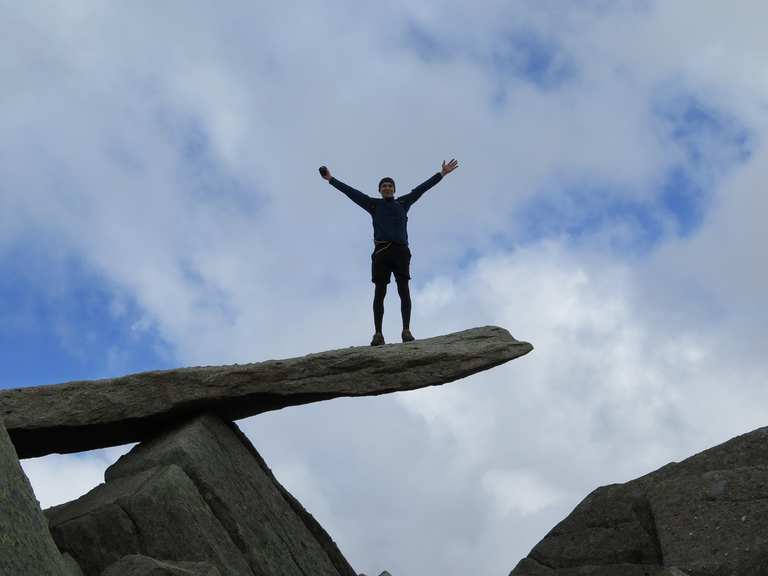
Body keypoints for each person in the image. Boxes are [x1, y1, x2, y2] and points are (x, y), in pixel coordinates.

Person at [320, 159, 459, 345]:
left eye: (390, 186)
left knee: (404, 291)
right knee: (380, 292)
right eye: (384, 186)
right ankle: (378, 334)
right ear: (379, 190)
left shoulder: (403, 202)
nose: (387, 188)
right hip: (381, 253)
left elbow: (421, 189)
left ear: (394, 189)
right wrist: (331, 179)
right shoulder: (373, 205)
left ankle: (406, 331)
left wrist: (441, 174)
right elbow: (352, 193)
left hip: (401, 252)